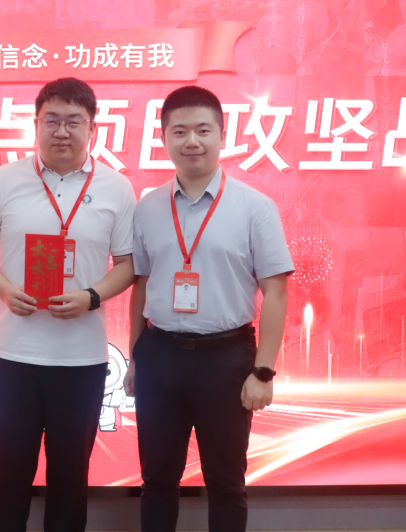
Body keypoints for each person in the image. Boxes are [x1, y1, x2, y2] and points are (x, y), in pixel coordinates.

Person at [0, 77, 135, 532]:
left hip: (81, 360)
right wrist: (4, 290)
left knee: (70, 481)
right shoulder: (5, 180)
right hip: (15, 356)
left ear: (92, 127)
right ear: (36, 124)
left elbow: (128, 265)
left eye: (73, 121)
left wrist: (91, 297)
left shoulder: (116, 188)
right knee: (9, 476)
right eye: (51, 120)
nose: (61, 131)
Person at [125, 86, 293, 532]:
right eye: (179, 131)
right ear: (164, 138)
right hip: (160, 355)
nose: (192, 141)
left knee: (226, 482)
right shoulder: (147, 208)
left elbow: (276, 292)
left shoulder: (255, 208)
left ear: (221, 135)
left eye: (203, 130)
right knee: (157, 479)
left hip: (227, 360)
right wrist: (136, 357)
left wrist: (263, 372)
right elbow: (141, 286)